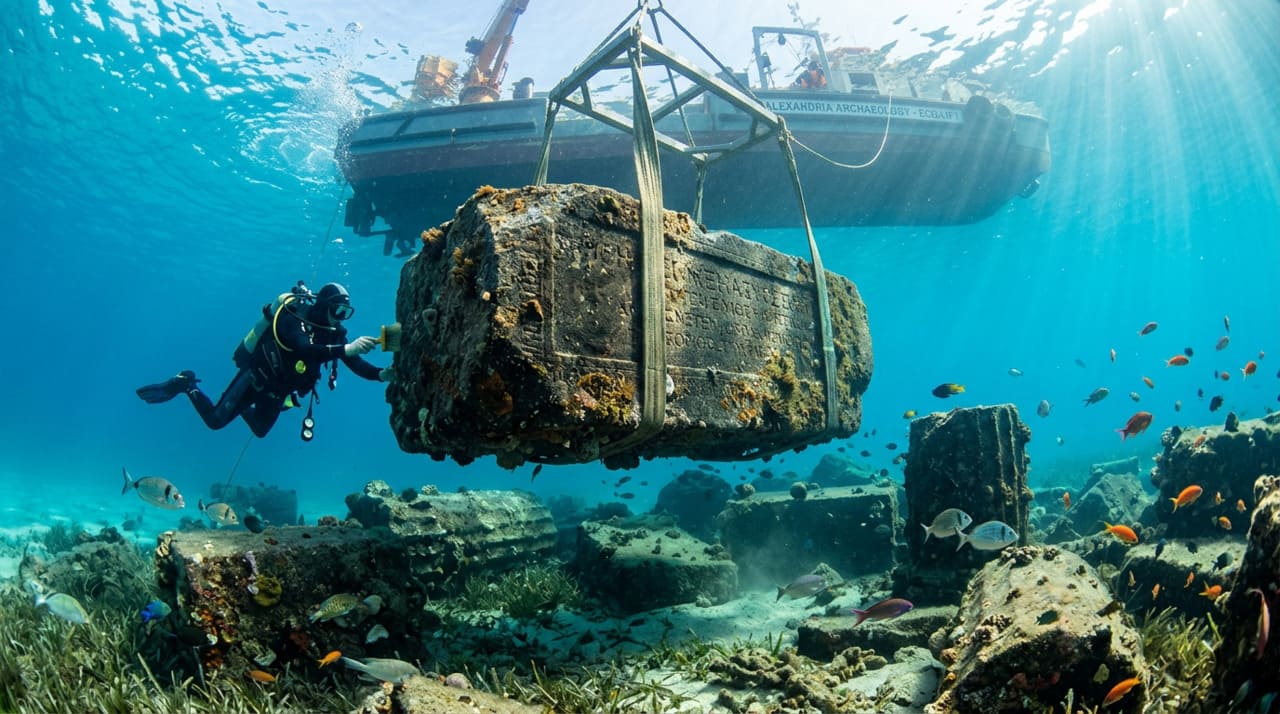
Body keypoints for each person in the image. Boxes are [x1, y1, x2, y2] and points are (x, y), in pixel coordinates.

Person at [136, 282, 392, 439]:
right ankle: (187, 384)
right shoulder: (295, 317)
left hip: (279, 391)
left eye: (346, 313)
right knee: (215, 422)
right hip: (255, 379)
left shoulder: (335, 332)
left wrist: (380, 374)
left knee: (259, 431)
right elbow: (302, 348)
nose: (341, 318)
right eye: (338, 310)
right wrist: (346, 349)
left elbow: (354, 362)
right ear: (323, 305)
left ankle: (243, 408)